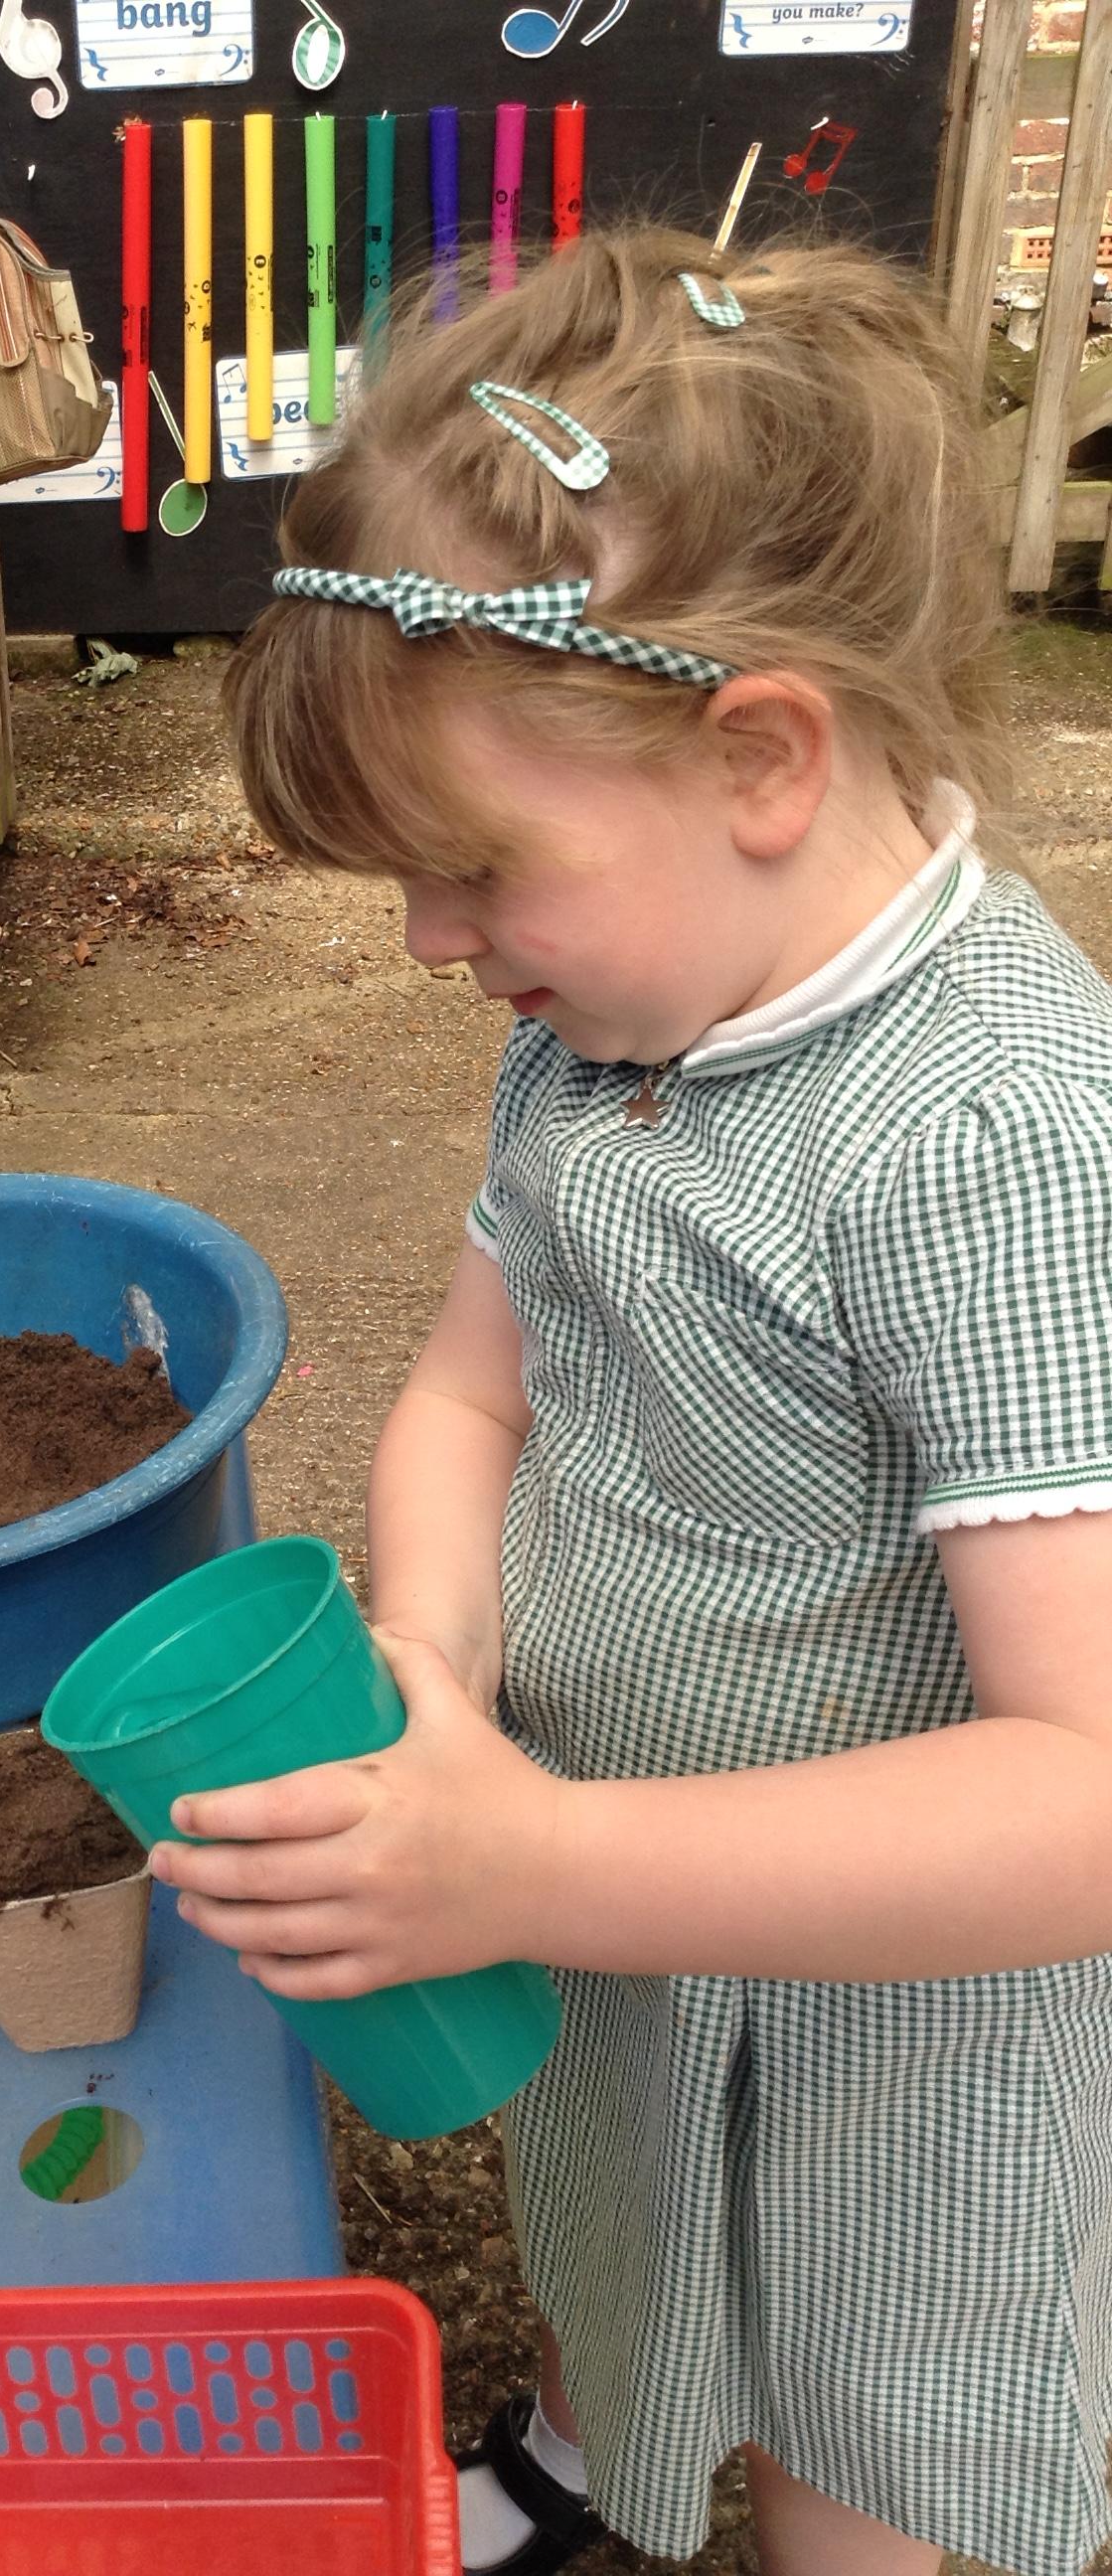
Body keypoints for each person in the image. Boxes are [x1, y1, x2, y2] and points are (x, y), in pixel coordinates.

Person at [155, 229, 1112, 2576]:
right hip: (609, 1890)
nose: (427, 944)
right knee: (618, 2218)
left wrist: (528, 1865)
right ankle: (595, 2446)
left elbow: (1086, 1787)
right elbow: (468, 1398)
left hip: (906, 2022)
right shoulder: (600, 1038)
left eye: (469, 869)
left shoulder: (986, 1142)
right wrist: (435, 1661)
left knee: (861, 2411)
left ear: (758, 755)